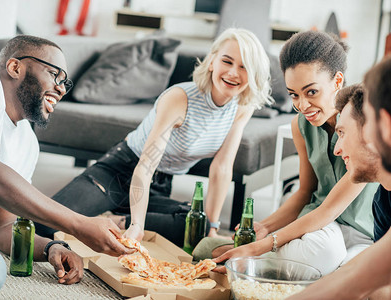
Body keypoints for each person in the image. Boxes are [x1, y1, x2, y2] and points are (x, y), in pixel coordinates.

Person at [34, 27, 273, 246]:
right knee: (42, 226)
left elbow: (221, 168)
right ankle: (112, 217)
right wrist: (138, 224)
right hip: (121, 170)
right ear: (211, 61)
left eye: (244, 67)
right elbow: (145, 165)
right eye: (227, 61)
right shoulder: (179, 98)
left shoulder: (242, 107)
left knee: (195, 225)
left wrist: (211, 228)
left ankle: (114, 220)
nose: (233, 73)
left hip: (160, 184)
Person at [0, 35, 132, 299]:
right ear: (15, 67)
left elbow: (2, 228)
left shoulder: (27, 144)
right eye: (55, 74)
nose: (62, 89)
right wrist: (79, 225)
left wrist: (51, 247)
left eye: (65, 82)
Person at [212, 31, 378, 276]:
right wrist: (264, 227)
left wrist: (261, 247)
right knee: (326, 253)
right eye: (294, 94)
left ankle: (261, 263)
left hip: (363, 233)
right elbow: (305, 193)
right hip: (321, 230)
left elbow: (331, 208)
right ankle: (259, 263)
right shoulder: (300, 126)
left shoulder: (364, 123)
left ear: (337, 80)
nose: (302, 105)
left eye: (311, 92)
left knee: (351, 272)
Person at [288, 57, 391, 300]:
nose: (337, 148)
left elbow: (359, 279)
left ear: (384, 124)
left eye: (343, 132)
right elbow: (362, 273)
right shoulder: (384, 199)